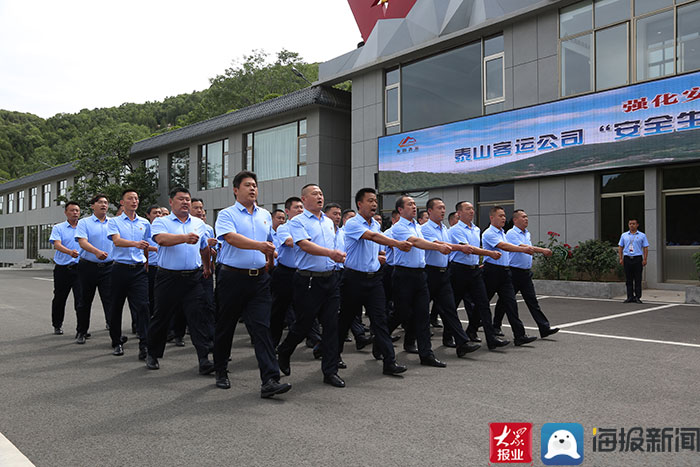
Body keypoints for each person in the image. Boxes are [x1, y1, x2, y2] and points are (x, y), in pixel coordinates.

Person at [213, 171, 291, 398]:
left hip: (259, 280)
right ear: (236, 190)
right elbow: (230, 238)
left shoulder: (265, 215)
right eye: (247, 185)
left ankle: (269, 379)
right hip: (232, 278)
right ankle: (220, 369)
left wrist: (269, 260)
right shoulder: (226, 214)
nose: (253, 189)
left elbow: (270, 242)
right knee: (225, 325)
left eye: (255, 185)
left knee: (261, 327)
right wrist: (260, 247)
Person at [276, 184, 346, 388]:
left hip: (330, 279)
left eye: (321, 194)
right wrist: (330, 254)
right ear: (304, 199)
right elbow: (304, 245)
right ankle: (285, 349)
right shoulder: (297, 222)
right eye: (315, 194)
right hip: (308, 281)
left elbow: (336, 247)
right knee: (304, 325)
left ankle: (330, 371)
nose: (319, 197)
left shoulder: (328, 222)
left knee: (332, 326)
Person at [337, 188, 409, 375]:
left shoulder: (375, 225)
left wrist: (384, 253)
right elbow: (373, 237)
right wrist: (397, 244)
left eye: (375, 201)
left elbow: (375, 246)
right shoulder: (353, 224)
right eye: (370, 201)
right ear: (360, 204)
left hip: (374, 280)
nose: (374, 204)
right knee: (344, 321)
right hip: (353, 279)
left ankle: (389, 362)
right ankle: (333, 356)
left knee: (380, 320)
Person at [146, 188, 215, 375]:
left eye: (188, 199)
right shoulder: (162, 222)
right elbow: (161, 240)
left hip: (193, 277)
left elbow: (204, 248)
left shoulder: (199, 224)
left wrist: (207, 267)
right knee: (161, 316)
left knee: (197, 317)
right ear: (171, 202)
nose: (185, 202)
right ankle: (152, 353)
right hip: (168, 277)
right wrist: (184, 238)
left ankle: (204, 359)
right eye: (181, 199)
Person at [387, 195, 450, 368]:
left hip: (420, 275)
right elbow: (414, 242)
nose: (414, 207)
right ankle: (381, 341)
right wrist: (438, 247)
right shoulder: (399, 227)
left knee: (422, 315)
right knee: (401, 314)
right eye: (409, 204)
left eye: (415, 204)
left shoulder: (418, 226)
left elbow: (425, 240)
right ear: (400, 210)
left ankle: (426, 354)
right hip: (403, 275)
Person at [421, 198, 481, 356]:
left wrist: (460, 248)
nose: (443, 211)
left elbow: (447, 246)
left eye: (444, 207)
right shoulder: (425, 229)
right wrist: (462, 247)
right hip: (429, 273)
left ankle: (462, 343)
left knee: (449, 309)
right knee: (415, 311)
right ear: (430, 211)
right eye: (439, 208)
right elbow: (441, 246)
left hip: (444, 273)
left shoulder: (445, 229)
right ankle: (406, 340)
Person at [447, 201, 510, 350]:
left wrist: (479, 261)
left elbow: (475, 250)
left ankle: (491, 338)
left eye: (472, 209)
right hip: (459, 270)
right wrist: (489, 254)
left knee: (483, 304)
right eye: (467, 209)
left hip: (474, 271)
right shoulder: (455, 230)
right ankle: (448, 336)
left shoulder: (476, 229)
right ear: (459, 213)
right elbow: (468, 249)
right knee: (452, 305)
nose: (471, 211)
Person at [492, 210, 560, 338]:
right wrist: (543, 250)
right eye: (523, 217)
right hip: (513, 272)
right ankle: (495, 326)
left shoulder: (527, 233)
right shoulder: (511, 233)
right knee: (505, 301)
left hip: (525, 273)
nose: (526, 219)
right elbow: (524, 247)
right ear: (515, 220)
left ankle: (544, 328)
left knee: (532, 301)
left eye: (527, 217)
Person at [481, 206, 538, 346]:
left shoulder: (503, 233)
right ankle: (472, 330)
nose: (503, 218)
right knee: (483, 303)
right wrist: (524, 249)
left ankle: (519, 335)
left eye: (504, 215)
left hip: (505, 272)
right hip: (492, 272)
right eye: (500, 215)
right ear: (491, 218)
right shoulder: (488, 233)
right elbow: (504, 247)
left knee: (511, 303)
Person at [106, 189, 152, 358]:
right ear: (122, 202)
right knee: (116, 307)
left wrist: (146, 261)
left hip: (138, 270)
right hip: (119, 269)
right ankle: (116, 342)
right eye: (130, 198)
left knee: (143, 306)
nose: (134, 201)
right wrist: (135, 244)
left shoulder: (144, 223)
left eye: (136, 198)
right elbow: (116, 241)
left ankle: (145, 345)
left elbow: (146, 244)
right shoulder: (114, 222)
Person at [74, 194, 113, 344]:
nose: (104, 205)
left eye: (106, 202)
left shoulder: (113, 223)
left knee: (110, 301)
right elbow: (82, 242)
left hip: (109, 268)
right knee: (84, 300)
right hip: (88, 267)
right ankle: (82, 331)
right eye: (100, 202)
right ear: (92, 206)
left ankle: (114, 333)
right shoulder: (84, 223)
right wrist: (96, 252)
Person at [270, 197, 304, 346]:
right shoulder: (284, 228)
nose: (300, 210)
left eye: (302, 207)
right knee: (279, 312)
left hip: (303, 273)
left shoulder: (306, 226)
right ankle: (272, 344)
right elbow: (290, 242)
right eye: (296, 207)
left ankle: (316, 341)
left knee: (306, 311)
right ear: (288, 211)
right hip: (285, 273)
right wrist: (308, 243)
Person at [49, 201, 83, 336]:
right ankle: (57, 324)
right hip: (63, 268)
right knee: (60, 298)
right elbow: (56, 244)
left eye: (77, 211)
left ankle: (81, 329)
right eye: (72, 210)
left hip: (81, 268)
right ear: (66, 212)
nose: (75, 213)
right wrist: (69, 252)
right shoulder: (59, 228)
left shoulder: (83, 227)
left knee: (81, 300)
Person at [618, 218, 649, 304]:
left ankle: (637, 297)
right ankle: (629, 296)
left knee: (638, 278)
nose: (632, 225)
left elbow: (645, 248)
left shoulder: (642, 235)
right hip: (627, 258)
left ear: (637, 225)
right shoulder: (624, 235)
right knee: (629, 279)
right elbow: (620, 247)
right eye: (630, 224)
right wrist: (621, 258)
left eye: (634, 224)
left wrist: (645, 259)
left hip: (637, 258)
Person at [145, 205, 162, 318]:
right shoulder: (146, 229)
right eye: (155, 213)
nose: (158, 215)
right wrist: (155, 248)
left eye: (159, 213)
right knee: (149, 296)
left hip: (163, 267)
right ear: (148, 215)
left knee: (161, 297)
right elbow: (141, 245)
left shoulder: (165, 229)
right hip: (150, 266)